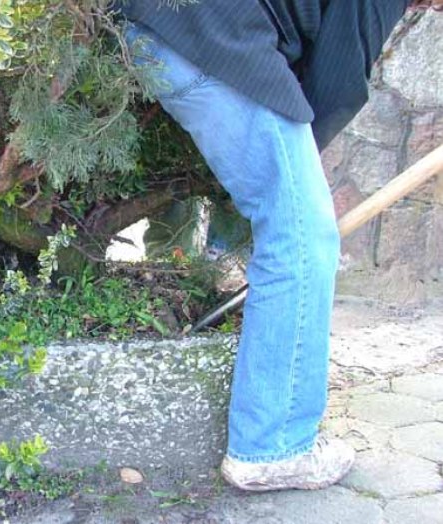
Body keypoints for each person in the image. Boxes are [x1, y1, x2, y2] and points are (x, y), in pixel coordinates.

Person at [116, 0, 442, 491]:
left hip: (158, 25)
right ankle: (274, 447)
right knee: (301, 235)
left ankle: (218, 263)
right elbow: (337, 80)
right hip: (209, 35)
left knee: (279, 214)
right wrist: (300, 177)